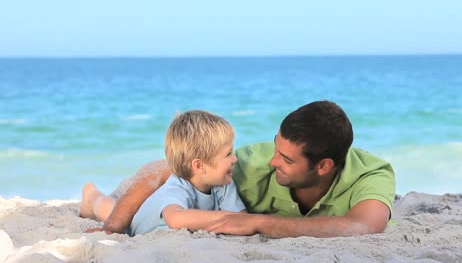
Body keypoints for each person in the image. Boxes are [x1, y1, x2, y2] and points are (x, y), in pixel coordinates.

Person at [83, 100, 396, 238]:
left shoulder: (371, 175)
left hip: (186, 207)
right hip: (149, 200)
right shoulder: (251, 162)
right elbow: (163, 170)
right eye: (277, 148)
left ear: (324, 166)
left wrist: (259, 224)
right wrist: (113, 226)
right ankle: (91, 197)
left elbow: (364, 227)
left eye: (287, 160)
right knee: (108, 207)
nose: (274, 162)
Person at [80, 110, 245, 235]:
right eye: (228, 154)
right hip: (133, 224)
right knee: (106, 206)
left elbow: (241, 218)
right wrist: (229, 217)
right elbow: (175, 218)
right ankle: (91, 194)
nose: (235, 159)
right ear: (199, 166)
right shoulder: (178, 185)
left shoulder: (223, 183)